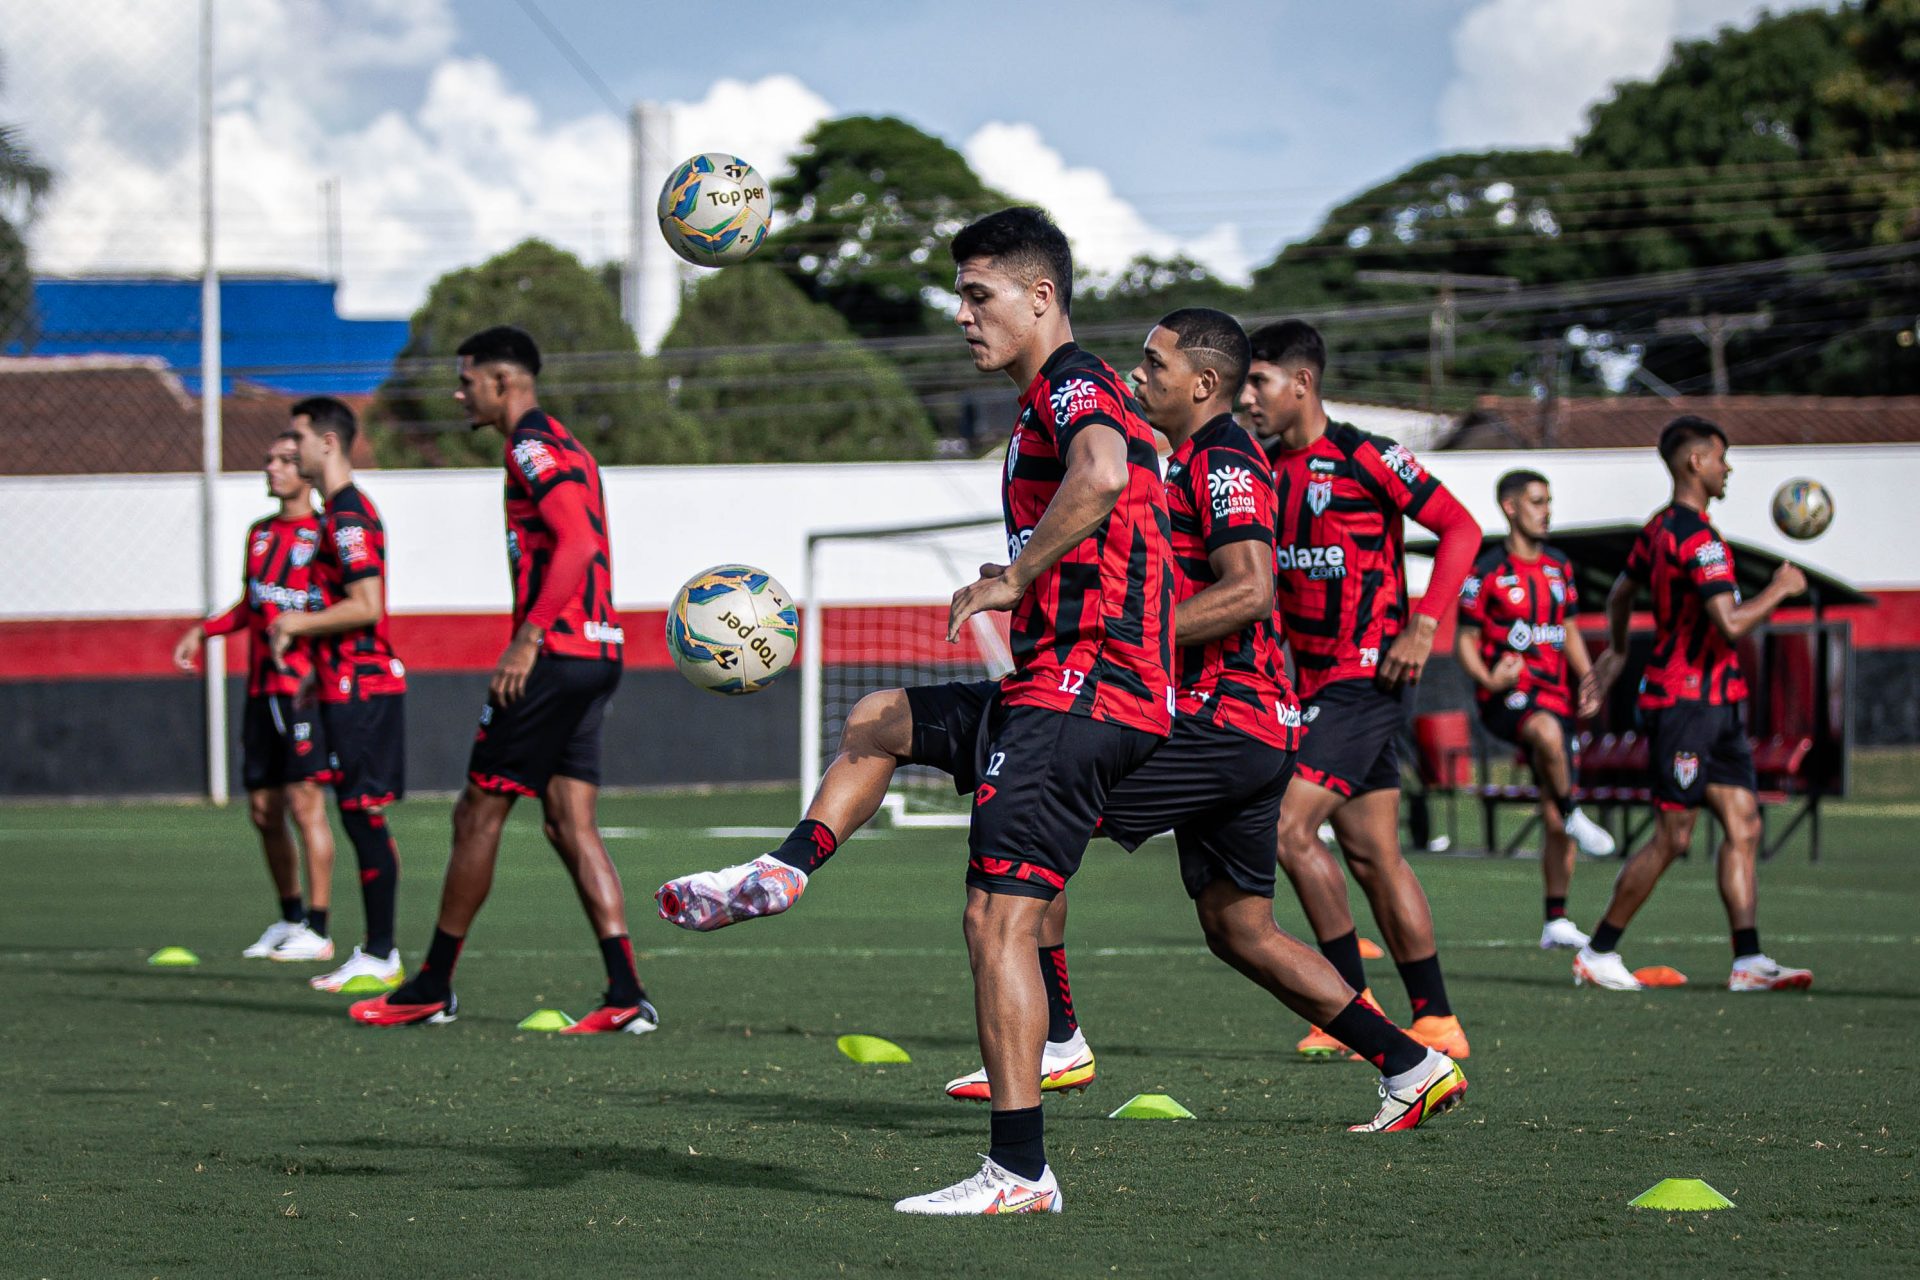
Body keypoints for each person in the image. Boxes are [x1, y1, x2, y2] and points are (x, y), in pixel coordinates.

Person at [657, 309, 1467, 1155]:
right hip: (1217, 720)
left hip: (1219, 720)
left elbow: (1251, 589)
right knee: (1241, 930)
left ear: (1200, 384)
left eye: (1155, 364)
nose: (1139, 375)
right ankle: (1412, 1063)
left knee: (1030, 826)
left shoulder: (1223, 457)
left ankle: (1051, 1062)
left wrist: (1113, 626)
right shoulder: (1173, 458)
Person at [664, 208, 1172, 1215]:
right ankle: (781, 869)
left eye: (979, 296)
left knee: (997, 918)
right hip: (1059, 682)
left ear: (1041, 298)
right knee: (880, 720)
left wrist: (1017, 573)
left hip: (1086, 689)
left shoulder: (1075, 384)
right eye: (960, 297)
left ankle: (1020, 1172)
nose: (962, 316)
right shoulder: (1051, 401)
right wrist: (1028, 574)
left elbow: (1106, 474)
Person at [348, 326, 654, 1034]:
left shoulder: (528, 444)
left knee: (476, 812)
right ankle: (625, 993)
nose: (459, 394)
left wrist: (527, 639)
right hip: (598, 651)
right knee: (567, 820)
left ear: (502, 381)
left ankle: (429, 985)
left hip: (555, 656)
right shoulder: (569, 442)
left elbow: (576, 543)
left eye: (467, 381)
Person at [1242, 321, 1482, 1059]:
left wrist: (1425, 625)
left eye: (1260, 381)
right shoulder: (1260, 470)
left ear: (1302, 383)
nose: (1248, 397)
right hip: (1312, 686)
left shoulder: (1366, 456)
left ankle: (1348, 1008)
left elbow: (1462, 529)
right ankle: (1437, 1018)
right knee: (1374, 852)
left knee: (1287, 829)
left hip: (1366, 678)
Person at [1573, 415, 1812, 993]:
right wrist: (1781, 589)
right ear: (1695, 462)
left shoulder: (1659, 529)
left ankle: (1748, 961)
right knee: (1673, 837)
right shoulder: (1699, 541)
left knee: (1744, 824)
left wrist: (1620, 650)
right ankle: (1598, 951)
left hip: (1720, 704)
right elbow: (1729, 623)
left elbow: (1622, 589)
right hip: (1684, 706)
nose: (1728, 469)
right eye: (1722, 458)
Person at [172, 434, 336, 962]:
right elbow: (251, 605)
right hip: (260, 691)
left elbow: (344, 609)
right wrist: (205, 630)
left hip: (303, 694)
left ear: (307, 471)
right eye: (269, 459)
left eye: (284, 460)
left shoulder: (325, 535)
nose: (271, 468)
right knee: (264, 811)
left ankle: (319, 926)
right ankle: (289, 918)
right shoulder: (260, 535)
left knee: (304, 804)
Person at [270, 397, 408, 994]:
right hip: (338, 685)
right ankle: (375, 949)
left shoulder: (349, 514)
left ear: (327, 442)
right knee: (354, 817)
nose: (290, 449)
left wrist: (293, 625)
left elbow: (368, 604)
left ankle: (381, 952)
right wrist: (311, 674)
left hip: (365, 689)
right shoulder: (334, 513)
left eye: (297, 438)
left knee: (363, 816)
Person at [1454, 469, 1617, 952]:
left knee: (1552, 811)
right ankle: (1574, 812)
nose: (1546, 511)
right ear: (1510, 507)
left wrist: (1588, 679)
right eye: (1537, 501)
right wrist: (1488, 678)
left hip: (1557, 695)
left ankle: (1556, 919)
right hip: (1507, 700)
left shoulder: (1560, 566)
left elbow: (1566, 629)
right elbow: (1463, 640)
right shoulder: (1486, 572)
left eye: (1548, 502)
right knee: (1546, 733)